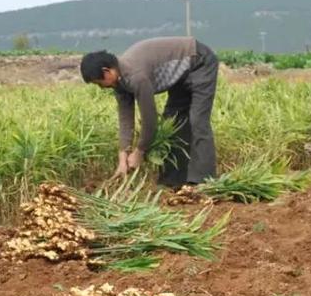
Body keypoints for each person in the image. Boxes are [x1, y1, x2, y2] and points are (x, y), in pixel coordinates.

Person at [80, 36, 219, 187]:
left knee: (198, 120)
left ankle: (205, 181)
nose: (101, 87)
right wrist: (123, 155)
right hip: (180, 75)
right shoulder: (119, 82)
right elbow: (126, 118)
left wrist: (140, 151)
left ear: (107, 71)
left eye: (99, 83)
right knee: (172, 123)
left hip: (199, 61)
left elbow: (149, 120)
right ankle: (173, 181)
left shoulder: (136, 77)